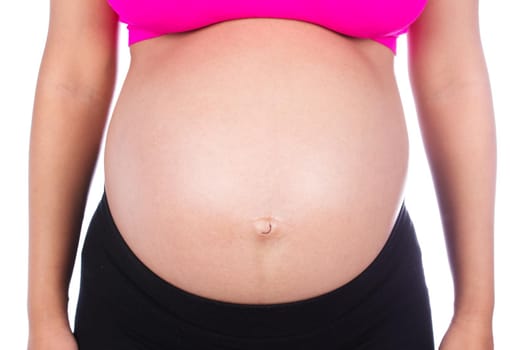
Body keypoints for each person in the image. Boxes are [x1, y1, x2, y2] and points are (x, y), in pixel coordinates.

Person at [27, 0, 496, 349]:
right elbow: (73, 82)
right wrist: (44, 315)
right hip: (138, 309)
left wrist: (476, 314)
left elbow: (453, 83)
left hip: (369, 314)